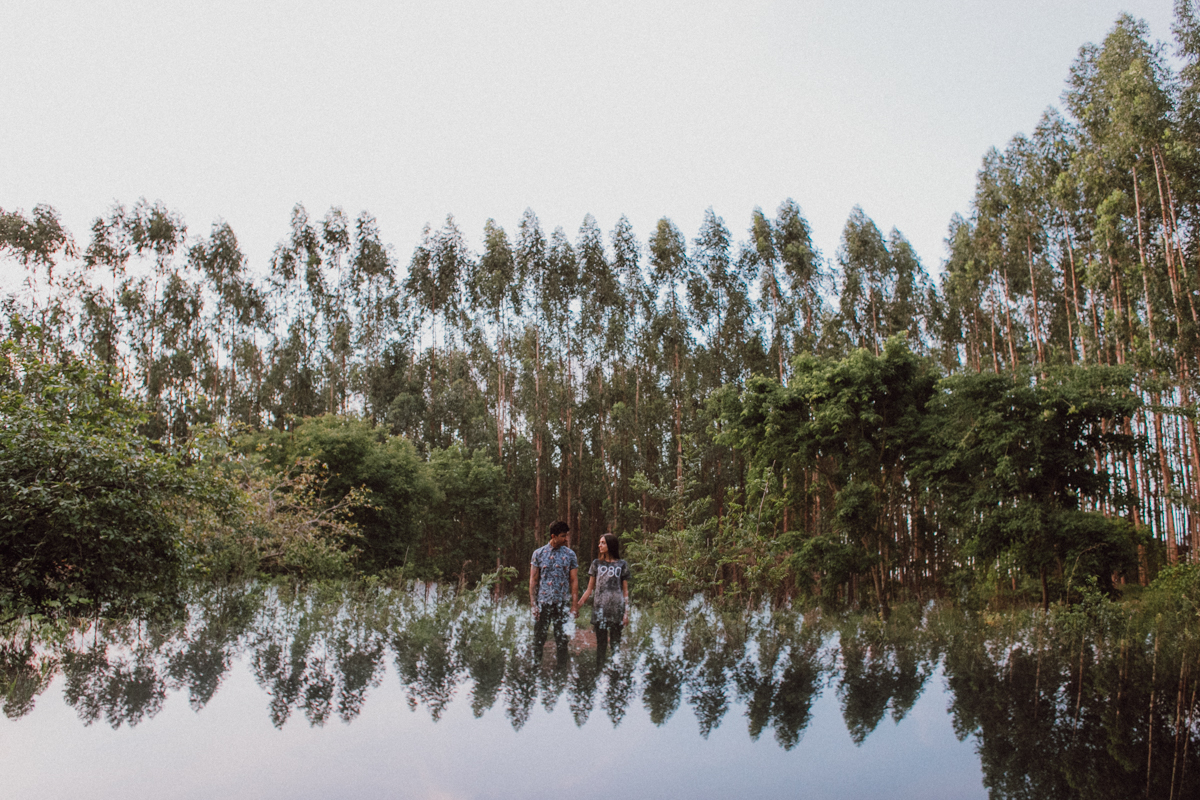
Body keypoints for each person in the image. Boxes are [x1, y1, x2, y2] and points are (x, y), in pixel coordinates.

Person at [575, 533, 630, 664]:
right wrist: (577, 605)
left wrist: (626, 613)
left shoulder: (622, 564)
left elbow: (625, 591)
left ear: (610, 545)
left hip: (617, 611)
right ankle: (599, 671)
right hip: (600, 611)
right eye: (600, 542)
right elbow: (589, 589)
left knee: (615, 646)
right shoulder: (596, 564)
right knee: (601, 645)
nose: (599, 545)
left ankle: (615, 672)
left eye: (603, 543)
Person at [529, 520, 578, 664]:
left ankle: (561, 670)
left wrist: (574, 605)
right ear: (553, 536)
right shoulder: (538, 553)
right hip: (543, 603)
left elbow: (574, 580)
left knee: (561, 638)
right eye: (563, 536)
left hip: (562, 603)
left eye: (566, 535)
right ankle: (535, 668)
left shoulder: (570, 555)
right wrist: (533, 605)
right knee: (539, 638)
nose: (566, 539)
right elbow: (533, 580)